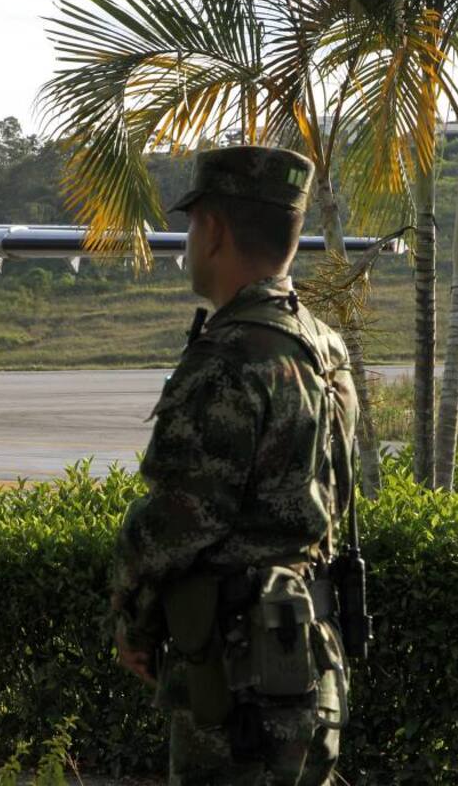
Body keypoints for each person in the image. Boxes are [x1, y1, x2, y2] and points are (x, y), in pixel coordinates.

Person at [110, 146, 358, 784]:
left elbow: (178, 520)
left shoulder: (228, 359)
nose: (189, 241)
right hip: (310, 658)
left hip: (235, 672)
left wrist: (132, 617)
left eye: (193, 224)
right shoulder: (323, 347)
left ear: (214, 230)